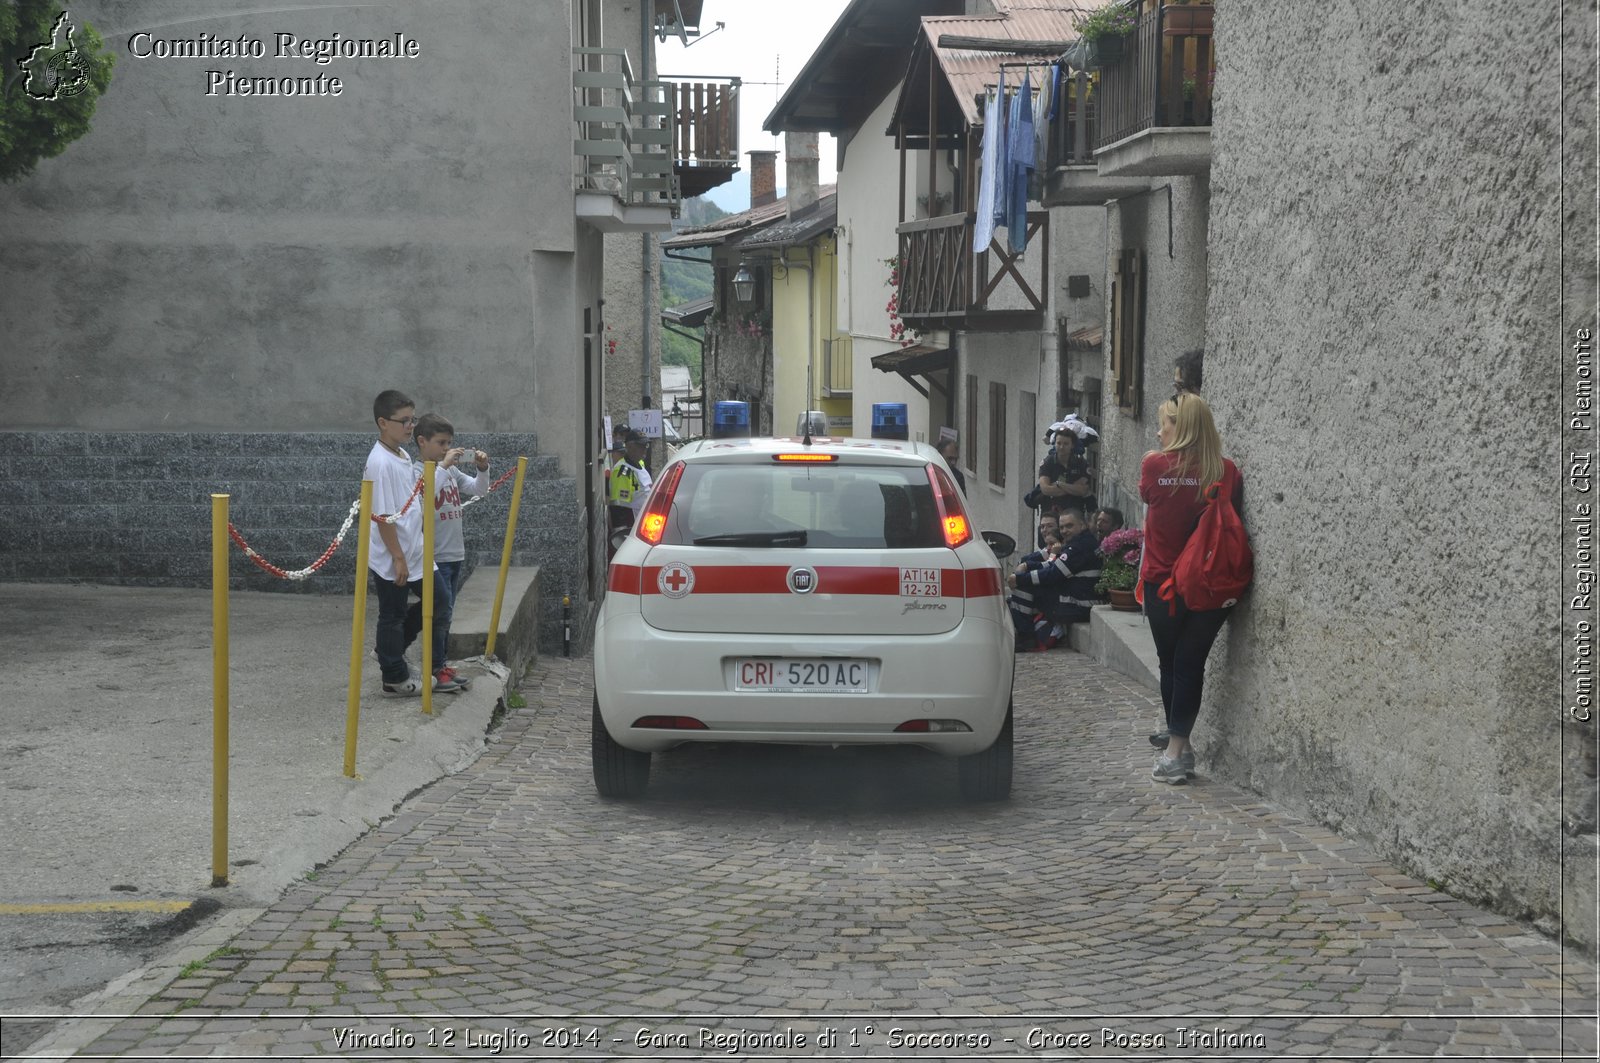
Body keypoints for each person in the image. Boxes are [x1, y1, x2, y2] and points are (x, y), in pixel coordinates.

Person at [1141, 391, 1242, 784]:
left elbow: (1149, 496)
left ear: (1179, 427)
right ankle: (1178, 741)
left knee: (1173, 663)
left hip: (1164, 582)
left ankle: (1175, 752)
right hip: (1211, 583)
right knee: (1190, 663)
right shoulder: (1226, 470)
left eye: (1164, 423)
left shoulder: (1154, 465)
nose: (1158, 430)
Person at [364, 390, 460, 697]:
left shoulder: (403, 455)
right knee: (392, 613)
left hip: (415, 548)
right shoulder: (380, 463)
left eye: (412, 419)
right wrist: (397, 557)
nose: (410, 426)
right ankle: (394, 676)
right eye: (404, 421)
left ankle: (389, 651)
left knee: (441, 600)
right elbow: (382, 516)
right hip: (394, 554)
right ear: (383, 423)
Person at [412, 413, 489, 693]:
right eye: (441, 442)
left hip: (454, 552)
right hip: (434, 556)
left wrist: (482, 468)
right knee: (439, 613)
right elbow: (425, 496)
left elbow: (480, 490)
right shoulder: (417, 472)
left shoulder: (451, 472)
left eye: (450, 443)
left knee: (446, 612)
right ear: (422, 442)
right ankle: (433, 667)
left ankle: (440, 664)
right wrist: (443, 466)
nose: (447, 449)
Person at [1007, 509, 1104, 651]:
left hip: (1080, 605)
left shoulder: (1079, 547)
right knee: (1018, 597)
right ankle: (1026, 633)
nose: (1064, 531)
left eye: (1069, 526)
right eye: (1062, 527)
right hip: (1077, 598)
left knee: (1023, 589)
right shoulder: (1079, 542)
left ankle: (1026, 638)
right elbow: (1053, 566)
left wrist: (1020, 580)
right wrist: (1027, 566)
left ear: (1082, 525)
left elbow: (1053, 574)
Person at [1035, 416, 1096, 518]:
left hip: (1074, 514)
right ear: (1055, 444)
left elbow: (1082, 490)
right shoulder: (1048, 462)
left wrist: (1060, 484)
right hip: (1050, 514)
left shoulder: (1081, 463)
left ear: (1072, 445)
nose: (1062, 447)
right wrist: (1072, 487)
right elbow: (1045, 489)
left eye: (1066, 444)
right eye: (1059, 443)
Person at [609, 429, 654, 530]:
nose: (644, 449)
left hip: (646, 527)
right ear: (629, 447)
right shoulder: (623, 472)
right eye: (640, 446)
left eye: (645, 445)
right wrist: (621, 537)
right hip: (634, 530)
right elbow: (619, 509)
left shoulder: (640, 464)